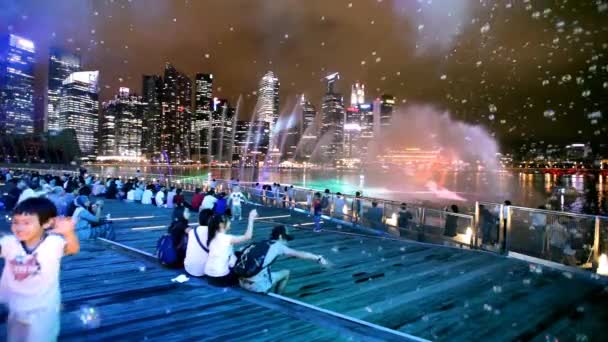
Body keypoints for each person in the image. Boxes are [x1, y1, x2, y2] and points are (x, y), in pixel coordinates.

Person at [1, 197, 80, 341]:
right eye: (15, 222)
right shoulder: (9, 243)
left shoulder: (53, 243)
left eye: (26, 223)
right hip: (16, 306)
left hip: (44, 309)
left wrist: (68, 233)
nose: (19, 227)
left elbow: (73, 249)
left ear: (47, 223)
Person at [239, 225, 329, 294]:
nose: (287, 242)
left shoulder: (261, 243)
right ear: (281, 237)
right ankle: (278, 297)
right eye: (286, 239)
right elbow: (300, 254)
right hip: (256, 286)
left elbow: (241, 250)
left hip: (241, 281)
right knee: (286, 273)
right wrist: (318, 258)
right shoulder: (278, 246)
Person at [205, 209, 258, 287]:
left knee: (237, 253)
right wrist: (251, 218)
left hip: (209, 276)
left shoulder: (212, 237)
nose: (230, 223)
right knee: (244, 257)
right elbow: (248, 236)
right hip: (221, 279)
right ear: (221, 225)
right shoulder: (227, 238)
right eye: (228, 221)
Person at [184, 209, 214, 277]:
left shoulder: (192, 231)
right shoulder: (214, 234)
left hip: (188, 268)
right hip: (205, 271)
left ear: (199, 220)